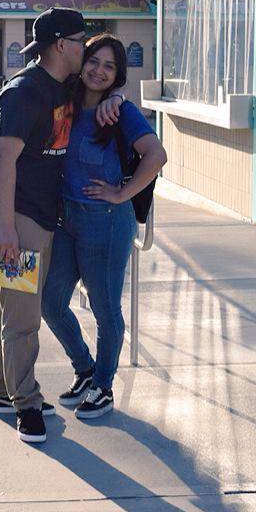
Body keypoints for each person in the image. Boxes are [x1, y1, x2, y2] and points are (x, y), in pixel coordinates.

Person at [0, 8, 124, 443]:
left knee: (12, 306)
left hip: (37, 217)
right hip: (15, 215)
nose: (87, 49)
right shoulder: (25, 92)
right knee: (23, 318)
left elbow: (104, 91)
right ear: (62, 45)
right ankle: (26, 404)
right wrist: (5, 227)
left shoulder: (61, 86)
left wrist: (117, 98)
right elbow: (4, 158)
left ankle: (2, 391)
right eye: (82, 41)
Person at [40, 34, 167, 419]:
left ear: (118, 75)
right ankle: (85, 368)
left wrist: (121, 193)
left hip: (106, 223)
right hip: (66, 220)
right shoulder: (67, 102)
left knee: (105, 308)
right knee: (49, 300)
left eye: (109, 66)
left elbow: (156, 156)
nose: (98, 71)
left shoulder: (121, 113)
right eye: (94, 61)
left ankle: (103, 386)